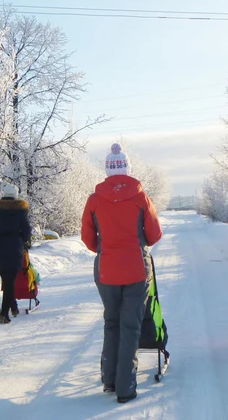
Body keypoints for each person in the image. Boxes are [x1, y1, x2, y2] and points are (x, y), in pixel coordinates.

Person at [81, 143, 163, 404]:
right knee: (131, 326)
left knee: (111, 322)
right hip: (136, 270)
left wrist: (105, 249)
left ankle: (110, 379)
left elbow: (87, 238)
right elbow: (154, 235)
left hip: (106, 270)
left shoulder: (94, 200)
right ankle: (126, 387)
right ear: (127, 168)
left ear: (107, 169)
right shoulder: (141, 197)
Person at [0, 184, 31, 324]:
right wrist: (19, 240)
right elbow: (27, 231)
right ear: (15, 195)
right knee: (10, 280)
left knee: (6, 278)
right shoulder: (20, 211)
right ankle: (5, 313)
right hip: (14, 247)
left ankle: (13, 306)